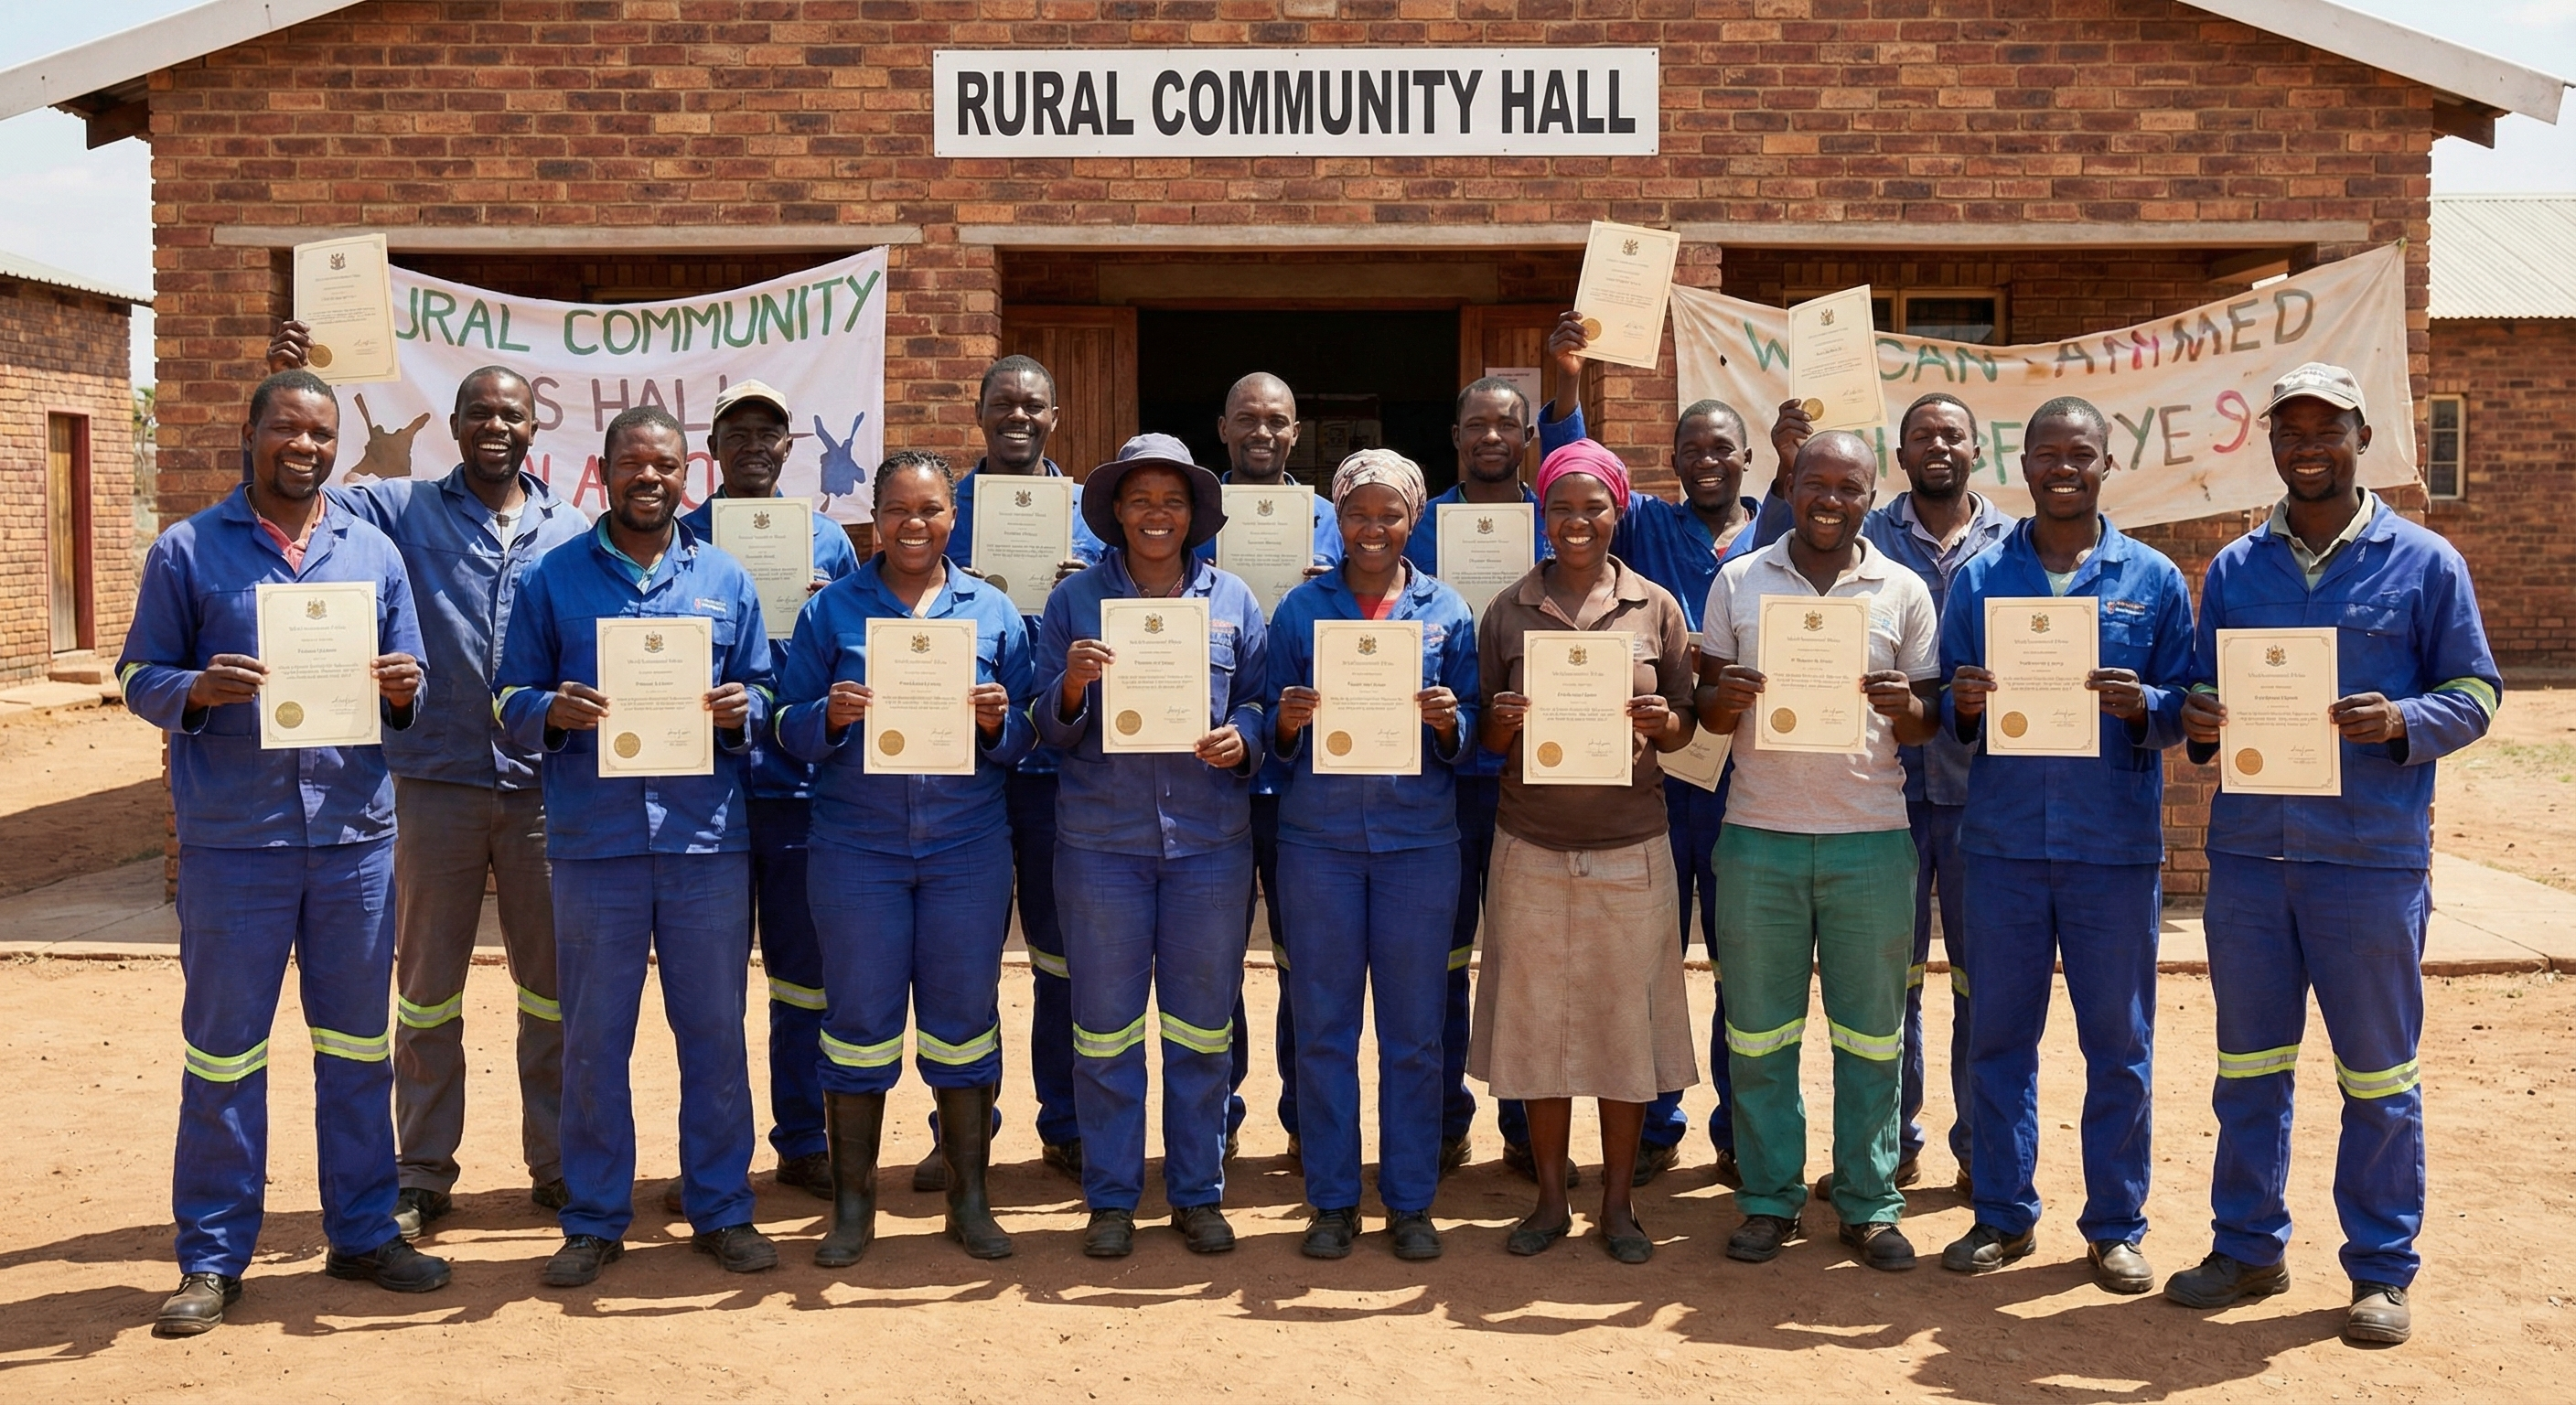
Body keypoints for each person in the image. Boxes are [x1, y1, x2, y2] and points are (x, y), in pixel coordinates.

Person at [2165, 362, 2500, 1346]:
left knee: (2377, 1076)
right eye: (2288, 433)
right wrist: (2201, 715)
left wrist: (2401, 718)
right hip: (2249, 863)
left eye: (2325, 431)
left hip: (2367, 859)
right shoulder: (2232, 570)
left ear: (2360, 438)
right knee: (2248, 1067)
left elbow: (2476, 692)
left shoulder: (2424, 562)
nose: (2305, 448)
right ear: (2270, 444)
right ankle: (2246, 1246)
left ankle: (2379, 1270)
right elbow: (2197, 692)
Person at [121, 368, 450, 1336]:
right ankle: (214, 1257)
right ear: (252, 435)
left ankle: (361, 1232)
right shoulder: (187, 550)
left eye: (318, 434)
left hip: (352, 839)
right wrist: (196, 690)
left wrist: (400, 686)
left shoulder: (373, 552)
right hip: (237, 845)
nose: (303, 448)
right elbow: (137, 673)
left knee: (356, 1048)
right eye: (286, 431)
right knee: (223, 1056)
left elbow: (414, 683)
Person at [262, 321, 590, 1239]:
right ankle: (420, 1170)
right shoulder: (400, 511)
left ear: (535, 430)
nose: (496, 426)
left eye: (511, 414)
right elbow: (294, 495)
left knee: (552, 990)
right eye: (479, 411)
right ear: (453, 423)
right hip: (430, 785)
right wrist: (286, 380)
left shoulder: (570, 532)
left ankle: (558, 1162)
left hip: (540, 791)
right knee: (424, 990)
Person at [495, 405, 779, 1287]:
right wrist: (551, 713)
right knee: (594, 1039)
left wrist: (746, 712)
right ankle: (592, 1217)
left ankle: (721, 1207)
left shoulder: (726, 580)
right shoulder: (553, 580)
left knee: (715, 1035)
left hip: (706, 845)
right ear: (605, 472)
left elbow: (766, 691)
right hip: (595, 845)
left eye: (664, 464)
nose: (648, 478)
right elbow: (507, 703)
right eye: (632, 464)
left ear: (684, 473)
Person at [1936, 396, 2195, 1293]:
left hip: (2110, 851)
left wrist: (2147, 707)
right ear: (2023, 463)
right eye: (2045, 453)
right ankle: (2001, 1217)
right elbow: (1946, 712)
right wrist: (1960, 705)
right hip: (2003, 848)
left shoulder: (2152, 579)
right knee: (1999, 1040)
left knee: (2116, 1046)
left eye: (2077, 454)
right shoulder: (1976, 580)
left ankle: (2114, 1225)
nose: (2061, 468)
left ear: (2102, 463)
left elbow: (2186, 707)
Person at [774, 449, 1037, 1265]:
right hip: (859, 849)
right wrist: (831, 715)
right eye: (897, 510)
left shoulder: (992, 612)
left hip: (966, 849)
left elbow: (1028, 740)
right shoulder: (830, 613)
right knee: (855, 1026)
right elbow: (785, 726)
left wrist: (999, 721)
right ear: (874, 518)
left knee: (963, 1023)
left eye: (929, 509)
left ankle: (970, 1199)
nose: (913, 524)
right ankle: (855, 1210)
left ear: (952, 517)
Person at [1696, 430, 1942, 1273]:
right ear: (1789, 485)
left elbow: (1926, 723)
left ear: (1873, 496)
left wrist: (1904, 704)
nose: (1829, 498)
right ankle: (1769, 1198)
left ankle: (1870, 1202)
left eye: (1849, 485)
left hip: (1870, 841)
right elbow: (1705, 710)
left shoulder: (1903, 590)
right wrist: (1722, 698)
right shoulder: (1738, 580)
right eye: (1814, 481)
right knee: (1758, 1033)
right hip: (1759, 833)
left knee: (1872, 1035)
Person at [1539, 312, 1766, 1188]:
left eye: (1722, 448)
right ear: (1672, 463)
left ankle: (1740, 1129)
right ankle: (1660, 1121)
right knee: (1652, 958)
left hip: (1748, 776)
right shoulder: (1645, 531)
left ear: (1747, 460)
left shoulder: (1774, 534)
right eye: (1690, 449)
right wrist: (1567, 377)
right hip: (1659, 776)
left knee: (1741, 962)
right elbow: (1574, 471)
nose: (1705, 460)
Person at [1035, 433, 1269, 1259]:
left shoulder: (1234, 599)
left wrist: (1244, 737)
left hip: (1209, 843)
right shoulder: (1073, 604)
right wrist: (1070, 685)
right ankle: (1110, 1196)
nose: (1156, 515)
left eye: (1172, 500)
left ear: (1195, 513)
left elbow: (1260, 705)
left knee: (1203, 1028)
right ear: (1116, 513)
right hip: (1101, 844)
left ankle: (1198, 1192)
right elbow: (1044, 731)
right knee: (1103, 1029)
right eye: (1140, 500)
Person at [1472, 439, 1700, 1264]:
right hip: (1529, 844)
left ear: (1618, 512)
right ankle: (1547, 1202)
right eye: (1561, 507)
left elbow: (1685, 724)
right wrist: (1506, 714)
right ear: (1543, 513)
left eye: (1593, 507)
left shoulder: (1655, 607)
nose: (1577, 522)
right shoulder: (1506, 608)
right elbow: (1487, 739)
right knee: (1537, 1028)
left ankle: (1618, 1206)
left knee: (1622, 1030)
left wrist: (1657, 725)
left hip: (1630, 847)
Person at [1268, 448, 1480, 1260]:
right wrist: (1286, 722)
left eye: (1389, 514)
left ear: (1413, 520)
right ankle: (1330, 1200)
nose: (1372, 528)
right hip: (1318, 842)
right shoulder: (1299, 609)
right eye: (1358, 513)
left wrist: (1445, 723)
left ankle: (1410, 1200)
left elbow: (1471, 743)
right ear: (1337, 518)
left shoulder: (1446, 609)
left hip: (1417, 846)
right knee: (1322, 1025)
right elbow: (1266, 727)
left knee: (1414, 1031)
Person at [677, 379, 862, 1207]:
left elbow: (860, 656)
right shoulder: (677, 541)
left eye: (770, 432)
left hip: (798, 790)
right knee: (706, 989)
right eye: (737, 431)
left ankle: (803, 1138)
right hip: (704, 791)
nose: (755, 443)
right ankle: (712, 1159)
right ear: (711, 449)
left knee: (802, 977)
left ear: (791, 447)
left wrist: (829, 617)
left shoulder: (829, 545)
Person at [941, 354, 1106, 1189]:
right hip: (957, 763)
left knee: (1058, 956)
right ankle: (959, 1129)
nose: (1018, 416)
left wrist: (1085, 593)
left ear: (1054, 416)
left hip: (1055, 766)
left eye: (1033, 405)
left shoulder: (1089, 516)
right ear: (978, 412)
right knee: (959, 957)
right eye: (1002, 402)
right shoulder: (945, 510)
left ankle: (1067, 1123)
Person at [1857, 392, 2018, 1192]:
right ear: (1901, 453)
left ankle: (1981, 1149)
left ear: (1976, 448)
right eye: (1923, 435)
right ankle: (1892, 1142)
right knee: (1892, 980)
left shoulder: (2016, 546)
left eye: (1953, 433)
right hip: (1883, 789)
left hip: (1984, 793)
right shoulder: (1863, 539)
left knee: (1980, 980)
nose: (1939, 446)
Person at [1403, 374, 1551, 1182]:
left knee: (1526, 954)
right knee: (1447, 955)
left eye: (1506, 425)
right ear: (1455, 437)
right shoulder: (1420, 533)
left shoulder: (1560, 522)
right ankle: (1444, 1119)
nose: (1491, 437)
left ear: (1527, 438)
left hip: (1540, 773)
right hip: (1450, 777)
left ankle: (1528, 1125)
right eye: (1475, 426)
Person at [1198, 370, 1340, 1162]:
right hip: (1210, 768)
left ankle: (1303, 1120)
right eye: (1247, 418)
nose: (1262, 432)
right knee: (1214, 957)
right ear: (1222, 427)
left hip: (1299, 774)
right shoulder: (1190, 518)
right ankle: (1216, 1122)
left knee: (1299, 956)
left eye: (1277, 421)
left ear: (1296, 433)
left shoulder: (1331, 521)